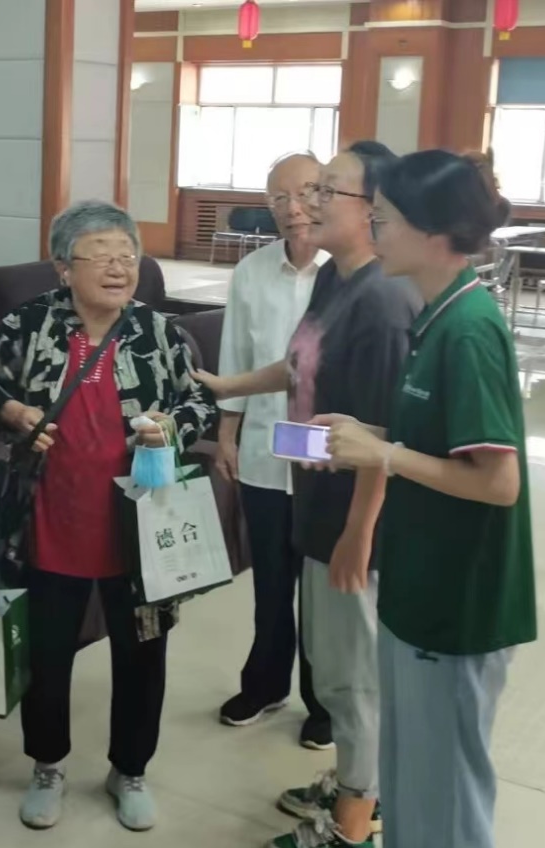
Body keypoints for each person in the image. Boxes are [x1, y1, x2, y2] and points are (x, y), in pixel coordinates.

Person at [319, 150, 533, 848]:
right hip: (418, 589)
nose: (373, 223)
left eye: (386, 215)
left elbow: (498, 482)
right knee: (411, 795)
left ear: (437, 232)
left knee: (447, 807)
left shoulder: (471, 331)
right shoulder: (433, 313)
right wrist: (370, 435)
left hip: (459, 605)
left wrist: (385, 455)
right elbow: (430, 438)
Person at [194, 142, 420, 848]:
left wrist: (358, 532)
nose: (307, 204)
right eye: (304, 191)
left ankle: (354, 823)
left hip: (354, 520)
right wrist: (226, 390)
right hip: (315, 499)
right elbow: (299, 368)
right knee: (335, 662)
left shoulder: (383, 301)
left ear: (374, 208)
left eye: (327, 190)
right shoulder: (336, 280)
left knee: (354, 674)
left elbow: (385, 437)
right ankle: (355, 780)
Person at [0, 200, 215, 833]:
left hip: (139, 533)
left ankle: (129, 770)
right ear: (63, 267)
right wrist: (12, 413)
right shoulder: (31, 324)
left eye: (127, 255)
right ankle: (47, 766)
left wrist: (170, 427)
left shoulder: (156, 332)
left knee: (143, 658)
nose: (117, 267)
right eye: (100, 254)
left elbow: (199, 402)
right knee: (49, 658)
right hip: (50, 524)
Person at [214, 151, 332, 750]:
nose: (294, 208)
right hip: (264, 451)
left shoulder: (351, 273)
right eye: (279, 198)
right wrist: (226, 434)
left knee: (322, 591)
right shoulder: (252, 272)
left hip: (329, 458)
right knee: (270, 581)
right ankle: (264, 684)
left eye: (307, 191)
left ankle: (324, 699)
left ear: (328, 194)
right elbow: (235, 355)